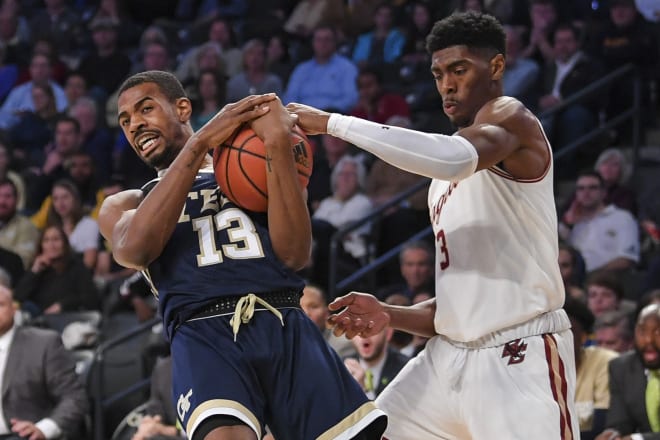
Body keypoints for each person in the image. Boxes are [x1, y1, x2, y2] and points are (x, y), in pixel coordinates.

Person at [288, 11, 578, 439]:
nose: (446, 84)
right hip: (448, 357)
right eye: (438, 73)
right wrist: (389, 314)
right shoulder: (440, 180)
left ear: (496, 67)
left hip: (519, 355)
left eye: (459, 70)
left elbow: (455, 157)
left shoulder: (509, 117)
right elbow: (456, 306)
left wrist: (333, 122)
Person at [98, 70, 386, 440]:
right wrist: (200, 142)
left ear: (182, 107)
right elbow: (135, 250)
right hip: (204, 333)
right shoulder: (127, 203)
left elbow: (296, 254)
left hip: (283, 318)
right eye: (125, 121)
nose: (135, 124)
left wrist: (278, 143)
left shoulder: (243, 163)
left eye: (146, 109)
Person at [0, 284, 89, 440]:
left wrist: (44, 429)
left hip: (24, 436)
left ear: (14, 308)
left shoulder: (43, 343)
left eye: (0, 304)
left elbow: (74, 398)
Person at [595, 303, 660, 440]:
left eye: (658, 332)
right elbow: (620, 422)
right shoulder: (621, 368)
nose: (648, 340)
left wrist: (639, 439)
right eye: (642, 331)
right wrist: (612, 434)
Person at [564, 297, 618, 440]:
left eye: (568, 333)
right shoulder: (534, 368)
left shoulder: (605, 361)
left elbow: (602, 426)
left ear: (583, 336)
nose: (560, 340)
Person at [343, 325, 410, 400]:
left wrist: (361, 392)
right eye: (357, 330)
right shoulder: (341, 367)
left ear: (388, 333)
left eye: (371, 329)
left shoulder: (406, 370)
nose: (364, 336)